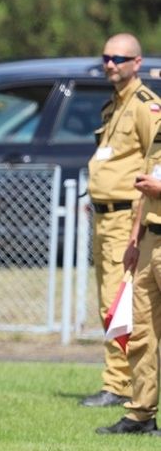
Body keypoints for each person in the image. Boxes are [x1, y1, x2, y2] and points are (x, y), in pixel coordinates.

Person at [81, 33, 161, 409]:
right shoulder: (114, 106)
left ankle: (118, 384)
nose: (110, 63)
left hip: (129, 219)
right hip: (103, 217)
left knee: (119, 302)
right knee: (107, 301)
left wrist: (136, 224)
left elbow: (153, 162)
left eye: (118, 58)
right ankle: (122, 383)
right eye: (106, 57)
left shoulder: (146, 106)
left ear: (137, 62)